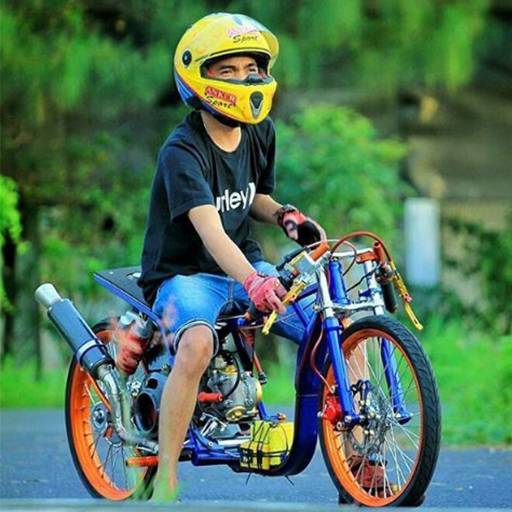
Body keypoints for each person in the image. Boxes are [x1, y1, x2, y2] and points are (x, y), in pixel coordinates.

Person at [117, 13, 325, 499]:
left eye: (252, 69)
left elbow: (253, 197)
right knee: (196, 346)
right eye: (227, 70)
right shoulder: (181, 151)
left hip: (243, 266)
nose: (244, 79)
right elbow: (210, 230)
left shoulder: (259, 131)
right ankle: (166, 475)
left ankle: (359, 455)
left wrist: (285, 216)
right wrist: (255, 281)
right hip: (184, 275)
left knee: (325, 324)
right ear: (198, 78)